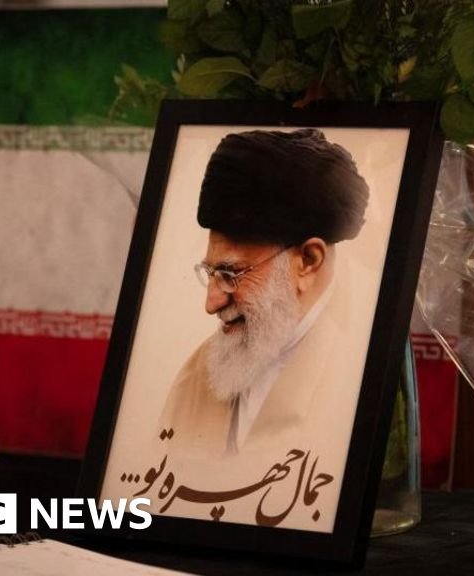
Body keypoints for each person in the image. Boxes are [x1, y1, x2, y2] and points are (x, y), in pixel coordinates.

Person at [158, 128, 371, 459]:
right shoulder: (197, 377)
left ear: (308, 260)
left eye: (231, 274)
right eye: (211, 273)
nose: (211, 303)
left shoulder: (360, 373)